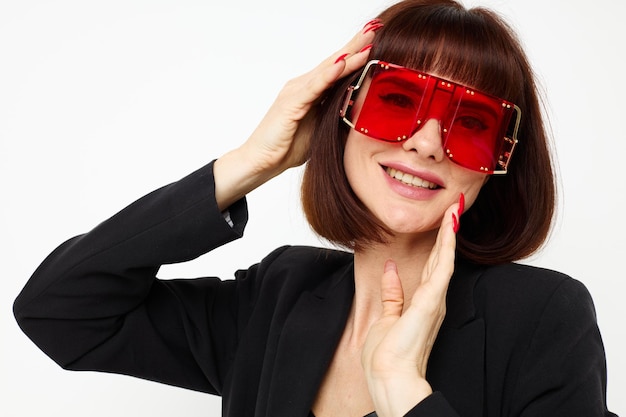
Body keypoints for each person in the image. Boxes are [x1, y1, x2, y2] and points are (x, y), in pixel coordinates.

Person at [13, 0, 617, 416]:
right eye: (398, 100)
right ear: (342, 112)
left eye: (473, 125)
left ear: (500, 161)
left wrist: (405, 395)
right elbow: (62, 313)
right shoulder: (276, 299)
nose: (427, 142)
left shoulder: (542, 319)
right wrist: (251, 161)